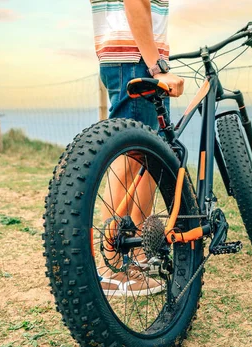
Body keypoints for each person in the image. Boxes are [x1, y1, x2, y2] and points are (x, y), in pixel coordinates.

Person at [91, 0, 184, 297]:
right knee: (130, 158)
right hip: (134, 56)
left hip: (133, 54)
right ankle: (112, 266)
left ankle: (139, 256)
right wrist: (157, 66)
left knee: (148, 157)